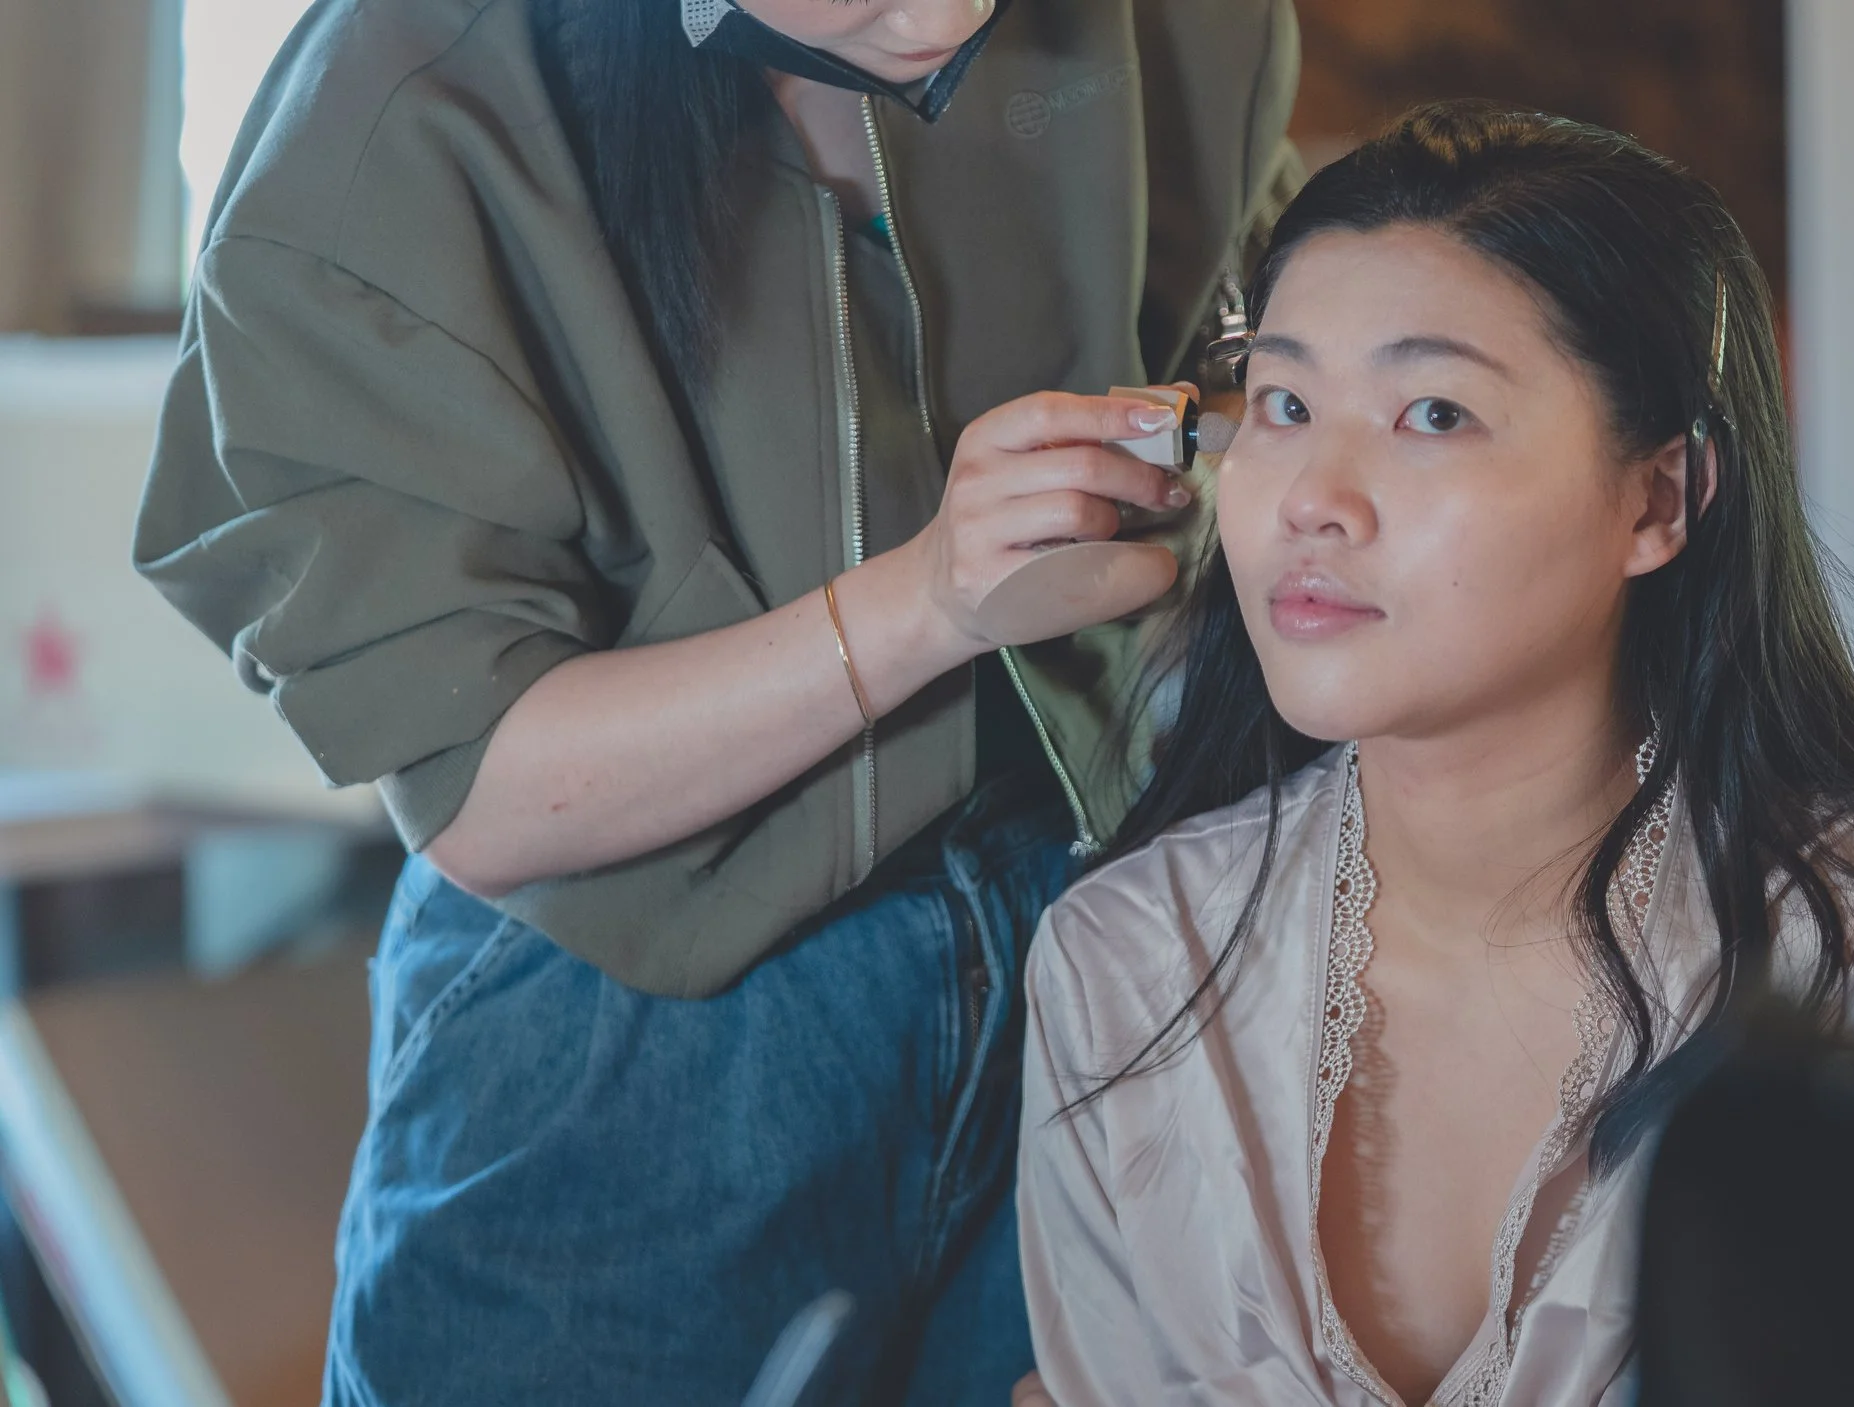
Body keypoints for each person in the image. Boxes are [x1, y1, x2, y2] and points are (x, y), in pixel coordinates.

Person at [132, 0, 1299, 1400]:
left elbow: (1257, 371)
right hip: (642, 1021)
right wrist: (923, 603)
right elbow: (486, 791)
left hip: (1090, 954)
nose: (943, 15)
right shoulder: (398, 118)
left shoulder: (1192, 29)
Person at [1016, 102, 1854, 1406]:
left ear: (1659, 498)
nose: (1312, 495)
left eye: (1432, 413)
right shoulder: (1126, 962)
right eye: (1288, 401)